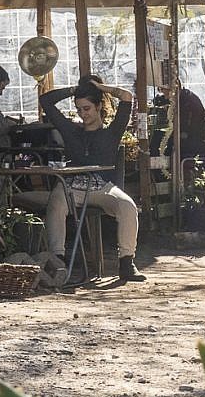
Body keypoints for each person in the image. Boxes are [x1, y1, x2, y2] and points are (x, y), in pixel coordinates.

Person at [39, 77, 143, 283]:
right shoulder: (70, 130)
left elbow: (126, 97)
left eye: (87, 108)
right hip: (72, 186)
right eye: (78, 110)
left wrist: (102, 88)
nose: (82, 114)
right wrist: (74, 89)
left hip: (102, 187)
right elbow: (46, 101)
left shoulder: (112, 132)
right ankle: (58, 261)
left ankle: (126, 262)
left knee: (127, 206)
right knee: (56, 202)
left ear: (98, 106)